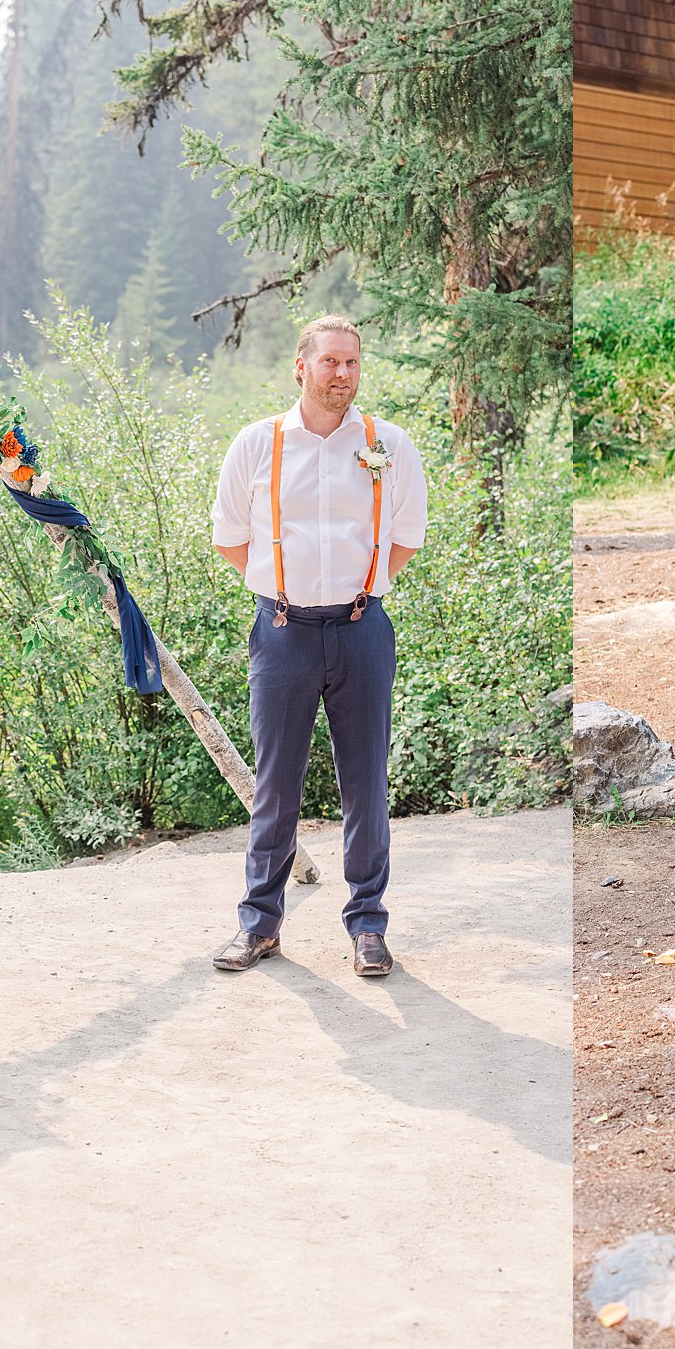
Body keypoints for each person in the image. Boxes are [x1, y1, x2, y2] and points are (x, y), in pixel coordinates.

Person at [206, 314, 428, 976]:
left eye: (352, 363)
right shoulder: (258, 444)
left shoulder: (390, 444)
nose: (342, 374)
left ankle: (367, 925)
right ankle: (259, 923)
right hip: (283, 631)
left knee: (366, 780)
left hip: (362, 628)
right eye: (330, 362)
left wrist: (358, 592)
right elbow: (229, 537)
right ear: (300, 367)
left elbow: (406, 536)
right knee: (276, 783)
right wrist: (282, 587)